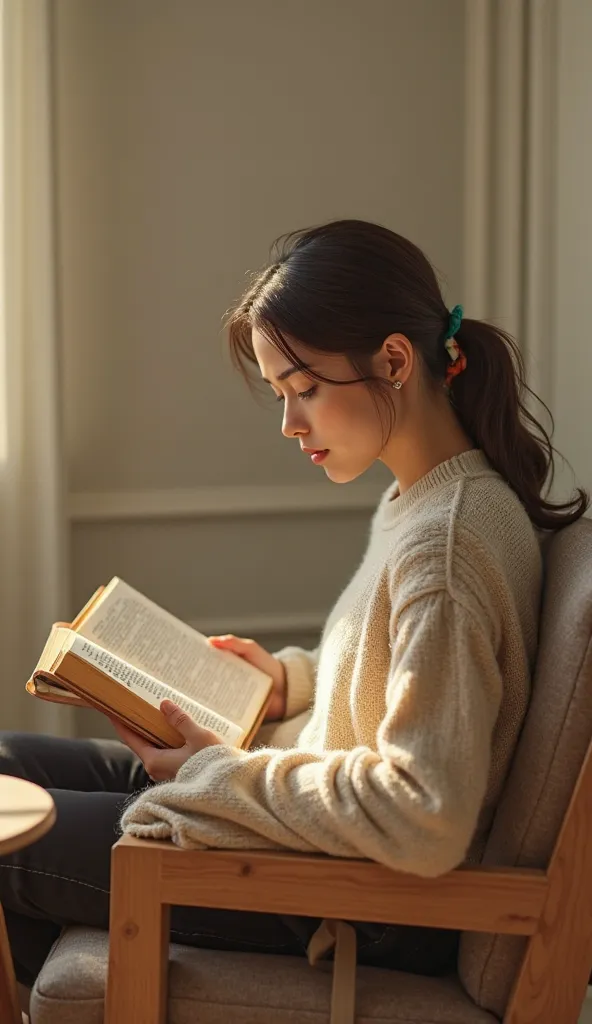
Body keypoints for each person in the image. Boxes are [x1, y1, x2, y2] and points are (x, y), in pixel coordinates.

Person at [1, 219, 588, 993]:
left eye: (305, 389)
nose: (290, 423)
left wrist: (217, 774)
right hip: (311, 826)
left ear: (394, 360)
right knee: (15, 759)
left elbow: (425, 814)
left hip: (358, 899)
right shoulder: (426, 500)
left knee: (13, 840)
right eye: (282, 395)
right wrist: (288, 683)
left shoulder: (446, 544)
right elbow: (420, 673)